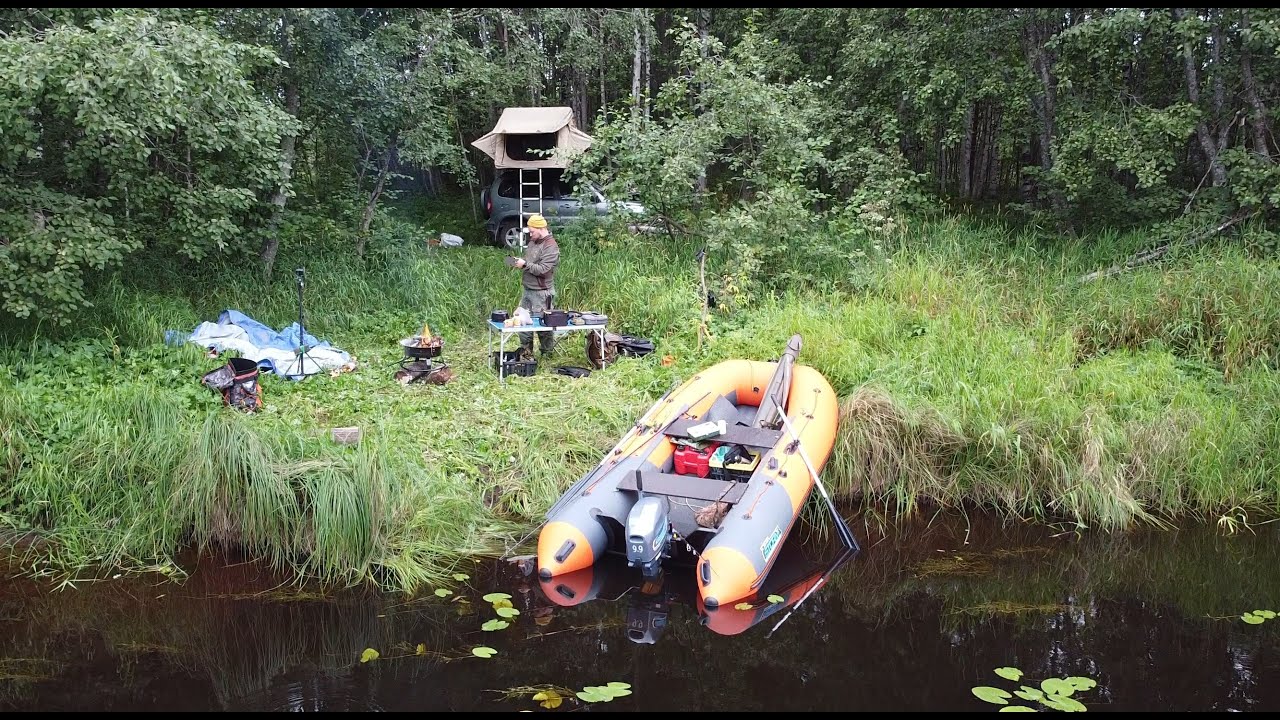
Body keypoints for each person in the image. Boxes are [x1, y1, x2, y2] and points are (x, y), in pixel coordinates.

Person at [511, 213, 560, 357]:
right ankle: (526, 353)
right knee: (522, 323)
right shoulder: (533, 242)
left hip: (542, 292)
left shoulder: (551, 247)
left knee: (543, 325)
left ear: (540, 228)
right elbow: (530, 263)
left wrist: (525, 264)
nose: (530, 234)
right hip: (527, 290)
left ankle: (547, 354)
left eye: (532, 231)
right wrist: (517, 263)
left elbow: (544, 270)